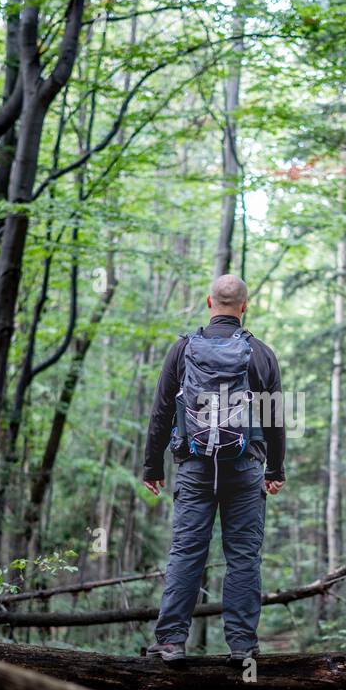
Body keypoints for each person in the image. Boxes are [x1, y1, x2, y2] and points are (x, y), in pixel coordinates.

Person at [142, 273, 285, 661]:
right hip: (245, 467)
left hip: (194, 466)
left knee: (187, 552)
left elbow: (161, 412)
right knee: (242, 556)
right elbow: (275, 418)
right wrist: (276, 470)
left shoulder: (182, 349)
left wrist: (151, 466)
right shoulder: (261, 353)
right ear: (244, 306)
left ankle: (171, 641)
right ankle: (242, 647)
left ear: (209, 303)